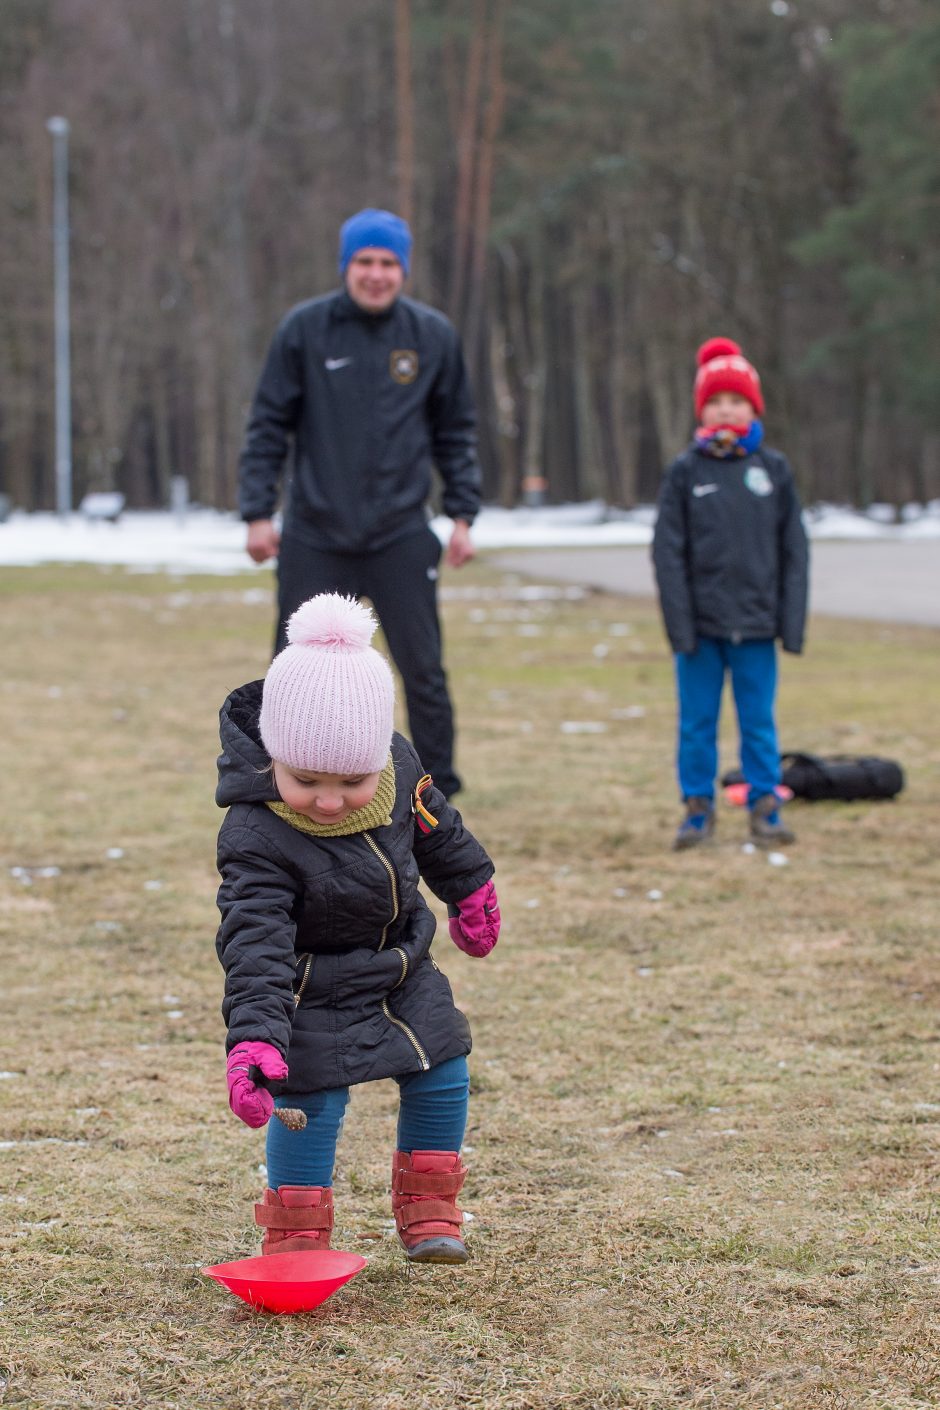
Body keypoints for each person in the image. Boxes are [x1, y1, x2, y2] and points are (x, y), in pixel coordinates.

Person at [215, 593, 500, 1265]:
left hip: (400, 965)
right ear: (274, 757)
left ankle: (430, 1209)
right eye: (305, 778)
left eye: (351, 780)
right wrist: (253, 1036)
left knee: (442, 1065)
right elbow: (253, 942)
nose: (329, 798)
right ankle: (295, 1234)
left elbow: (438, 829)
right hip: (307, 986)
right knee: (308, 1098)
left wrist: (471, 887)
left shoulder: (398, 768)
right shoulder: (255, 833)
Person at [238, 207, 482, 799]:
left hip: (400, 532)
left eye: (389, 263)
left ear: (404, 269)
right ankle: (277, 785)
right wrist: (257, 511)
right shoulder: (304, 330)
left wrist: (463, 514)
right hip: (316, 534)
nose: (377, 274)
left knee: (422, 671)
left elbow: (457, 430)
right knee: (292, 671)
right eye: (366, 262)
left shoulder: (432, 337)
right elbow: (268, 425)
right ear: (347, 266)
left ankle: (435, 791)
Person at [651, 337, 809, 851]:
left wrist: (791, 621)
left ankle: (766, 805)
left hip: (758, 626)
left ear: (753, 408)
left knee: (758, 722)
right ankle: (697, 810)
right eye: (716, 401)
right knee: (697, 724)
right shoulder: (685, 472)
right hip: (700, 630)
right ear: (702, 409)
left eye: (736, 401)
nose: (726, 410)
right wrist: (679, 626)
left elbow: (794, 550)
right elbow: (667, 553)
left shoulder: (774, 470)